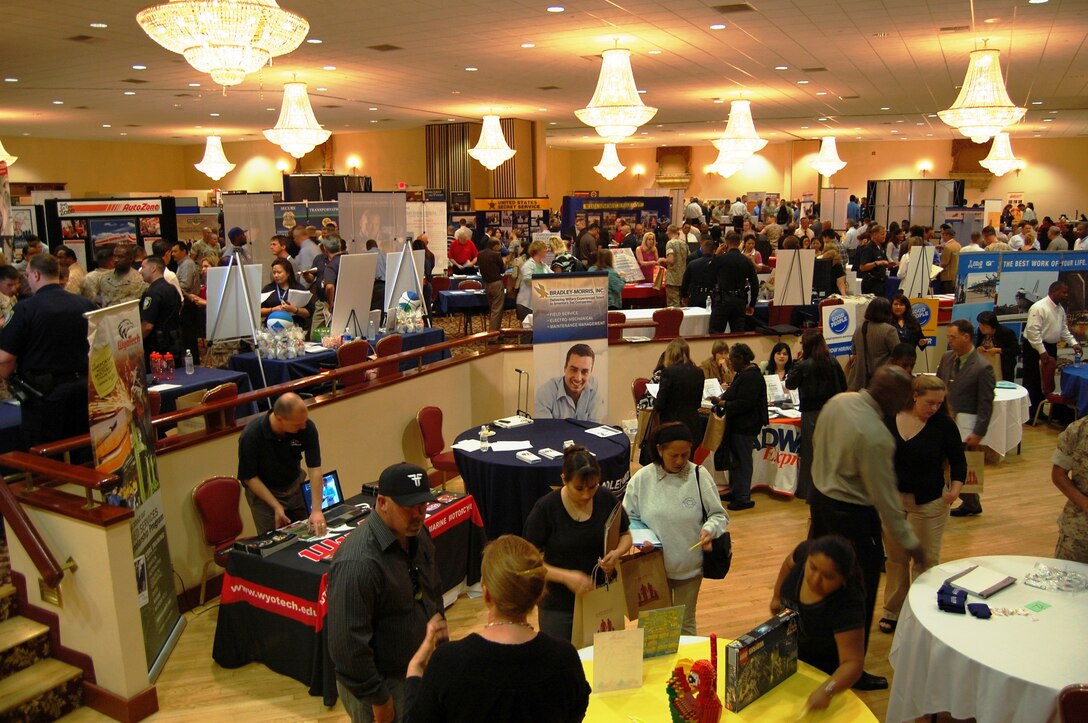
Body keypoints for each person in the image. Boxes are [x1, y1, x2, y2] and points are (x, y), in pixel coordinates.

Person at [810, 365, 926, 690]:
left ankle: (816, 654)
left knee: (818, 579)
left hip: (820, 502)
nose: (906, 404)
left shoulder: (838, 402)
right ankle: (851, 668)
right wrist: (910, 542)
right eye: (905, 398)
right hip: (851, 516)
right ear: (891, 396)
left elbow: (817, 444)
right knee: (857, 591)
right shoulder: (874, 435)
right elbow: (886, 498)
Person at [402, 535, 590, 723]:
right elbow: (576, 712)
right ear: (538, 593)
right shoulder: (564, 659)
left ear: (487, 595)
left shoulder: (448, 662)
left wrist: (414, 672)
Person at [327, 462, 446, 723]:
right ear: (382, 502)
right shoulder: (358, 563)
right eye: (408, 507)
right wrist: (379, 699)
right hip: (379, 685)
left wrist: (440, 627)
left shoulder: (417, 533)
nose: (418, 515)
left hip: (415, 668)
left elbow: (431, 585)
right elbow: (347, 647)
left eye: (423, 506)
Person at [878, 374, 967, 634]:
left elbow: (959, 461)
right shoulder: (890, 419)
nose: (934, 408)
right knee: (895, 560)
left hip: (929, 503)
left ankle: (921, 611)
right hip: (893, 501)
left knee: (925, 560)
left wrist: (954, 491)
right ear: (914, 396)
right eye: (930, 402)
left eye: (939, 403)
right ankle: (892, 610)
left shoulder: (944, 425)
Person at [623, 423, 729, 634]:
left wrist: (710, 529)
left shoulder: (700, 476)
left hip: (689, 568)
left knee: (685, 624)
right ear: (660, 450)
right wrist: (639, 538)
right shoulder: (642, 479)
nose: (680, 461)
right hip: (653, 568)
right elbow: (629, 518)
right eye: (674, 455)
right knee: (654, 628)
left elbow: (719, 515)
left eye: (685, 454)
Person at [523, 446, 631, 641]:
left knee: (603, 660)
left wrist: (616, 554)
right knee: (560, 660)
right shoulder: (546, 508)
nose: (586, 495)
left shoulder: (606, 498)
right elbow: (527, 562)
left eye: (593, 487)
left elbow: (626, 535)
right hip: (558, 606)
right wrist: (566, 577)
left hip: (601, 598)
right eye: (579, 488)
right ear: (564, 479)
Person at [0, 254, 98, 451]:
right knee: (82, 448)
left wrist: (8, 380)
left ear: (36, 275)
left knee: (47, 454)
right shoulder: (85, 304)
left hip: (44, 394)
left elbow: (5, 358)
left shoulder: (25, 309)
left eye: (27, 275)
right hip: (83, 388)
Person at [770, 536, 865, 711]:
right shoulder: (805, 551)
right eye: (812, 567)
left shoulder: (848, 604)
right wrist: (777, 595)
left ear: (843, 579)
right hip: (789, 656)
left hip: (821, 672)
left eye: (828, 576)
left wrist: (827, 690)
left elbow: (853, 663)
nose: (815, 579)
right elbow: (788, 563)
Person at [236, 392, 327, 535]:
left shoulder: (307, 427)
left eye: (304, 421)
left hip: (293, 484)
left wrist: (316, 510)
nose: (303, 426)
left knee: (306, 534)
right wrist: (276, 506)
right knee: (273, 541)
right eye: (297, 424)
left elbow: (314, 468)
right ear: (279, 419)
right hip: (264, 493)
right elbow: (250, 478)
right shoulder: (251, 435)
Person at [938, 319, 995, 518]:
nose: (950, 341)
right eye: (948, 338)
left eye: (953, 337)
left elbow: (985, 404)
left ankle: (971, 503)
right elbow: (938, 387)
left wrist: (979, 431)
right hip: (945, 421)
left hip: (965, 426)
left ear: (966, 337)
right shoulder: (946, 358)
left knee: (961, 465)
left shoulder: (982, 367)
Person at [786, 330, 847, 502]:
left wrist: (797, 362)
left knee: (810, 452)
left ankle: (807, 491)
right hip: (833, 410)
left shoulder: (803, 364)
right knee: (831, 451)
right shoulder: (833, 361)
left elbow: (790, 384)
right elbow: (843, 385)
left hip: (812, 412)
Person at [714, 343, 768, 511]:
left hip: (746, 426)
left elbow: (744, 404)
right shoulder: (743, 374)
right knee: (735, 460)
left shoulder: (752, 377)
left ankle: (744, 497)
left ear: (741, 358)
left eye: (732, 359)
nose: (730, 363)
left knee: (743, 462)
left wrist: (722, 402)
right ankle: (735, 491)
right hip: (737, 425)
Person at [1023, 281, 1081, 420]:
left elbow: (1063, 330)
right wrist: (1042, 351)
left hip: (1050, 346)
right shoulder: (1039, 307)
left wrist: (1073, 343)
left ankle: (1039, 412)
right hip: (1035, 347)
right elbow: (1033, 332)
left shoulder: (1060, 309)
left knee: (1046, 383)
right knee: (1033, 381)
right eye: (1064, 292)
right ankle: (1029, 415)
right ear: (1053, 291)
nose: (1066, 295)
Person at [1051, 417, 1088, 563]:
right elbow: (1058, 475)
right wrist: (1084, 503)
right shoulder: (1077, 430)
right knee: (1066, 581)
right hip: (1079, 531)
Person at [535, 343, 602, 421]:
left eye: (584, 372)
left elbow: (595, 428)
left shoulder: (594, 387)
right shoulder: (545, 392)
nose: (578, 378)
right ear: (565, 368)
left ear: (591, 371)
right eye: (574, 370)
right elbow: (544, 430)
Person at [708, 232, 759, 335]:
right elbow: (755, 284)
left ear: (727, 243)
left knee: (716, 333)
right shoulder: (746, 260)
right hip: (739, 300)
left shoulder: (720, 259)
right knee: (738, 334)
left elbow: (709, 275)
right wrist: (752, 304)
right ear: (740, 243)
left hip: (722, 300)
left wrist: (715, 255)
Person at [846, 297, 900, 391]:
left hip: (858, 380)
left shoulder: (859, 328)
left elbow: (854, 351)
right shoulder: (889, 330)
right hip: (880, 381)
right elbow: (898, 354)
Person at [139, 256, 184, 366]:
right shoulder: (172, 288)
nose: (141, 271)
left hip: (157, 349)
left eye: (143, 267)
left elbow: (147, 326)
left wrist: (135, 343)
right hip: (174, 344)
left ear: (153, 268)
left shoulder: (152, 293)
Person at [260, 258, 314, 331]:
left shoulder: (298, 288)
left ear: (288, 273)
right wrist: (273, 310)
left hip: (295, 329)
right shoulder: (268, 289)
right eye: (274, 272)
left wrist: (294, 310)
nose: (276, 275)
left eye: (279, 272)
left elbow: (309, 312)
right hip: (271, 329)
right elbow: (259, 311)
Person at [975, 310, 1019, 382]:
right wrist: (979, 348)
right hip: (985, 366)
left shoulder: (1006, 332)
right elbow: (977, 345)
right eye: (980, 325)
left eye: (985, 326)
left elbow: (1016, 350)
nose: (981, 328)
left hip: (1003, 368)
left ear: (993, 325)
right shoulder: (980, 331)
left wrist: (999, 350)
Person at [515, 239, 551, 322]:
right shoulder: (528, 265)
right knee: (528, 331)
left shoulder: (544, 266)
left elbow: (553, 277)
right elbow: (528, 281)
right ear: (538, 251)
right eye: (544, 248)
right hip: (526, 304)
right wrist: (544, 283)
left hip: (539, 303)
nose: (546, 250)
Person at [477, 237, 506, 333]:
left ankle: (496, 332)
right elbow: (502, 270)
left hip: (486, 284)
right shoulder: (496, 255)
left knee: (492, 309)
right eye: (499, 245)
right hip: (496, 283)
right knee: (497, 310)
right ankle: (493, 335)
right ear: (495, 245)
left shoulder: (480, 254)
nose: (500, 247)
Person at [856, 225, 894, 295]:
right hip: (871, 283)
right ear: (875, 235)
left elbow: (883, 262)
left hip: (881, 282)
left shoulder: (880, 247)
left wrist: (891, 264)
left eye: (885, 234)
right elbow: (862, 267)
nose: (884, 236)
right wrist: (876, 263)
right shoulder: (868, 248)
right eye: (882, 234)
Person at [680, 236, 716, 309]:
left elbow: (685, 281)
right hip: (713, 297)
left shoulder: (693, 263)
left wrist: (684, 296)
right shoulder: (718, 264)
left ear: (703, 249)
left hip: (695, 296)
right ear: (714, 251)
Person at [663, 224, 689, 308]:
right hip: (683, 277)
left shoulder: (670, 243)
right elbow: (689, 257)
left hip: (672, 279)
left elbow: (670, 260)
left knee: (673, 305)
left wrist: (662, 260)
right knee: (683, 305)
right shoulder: (684, 244)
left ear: (668, 232)